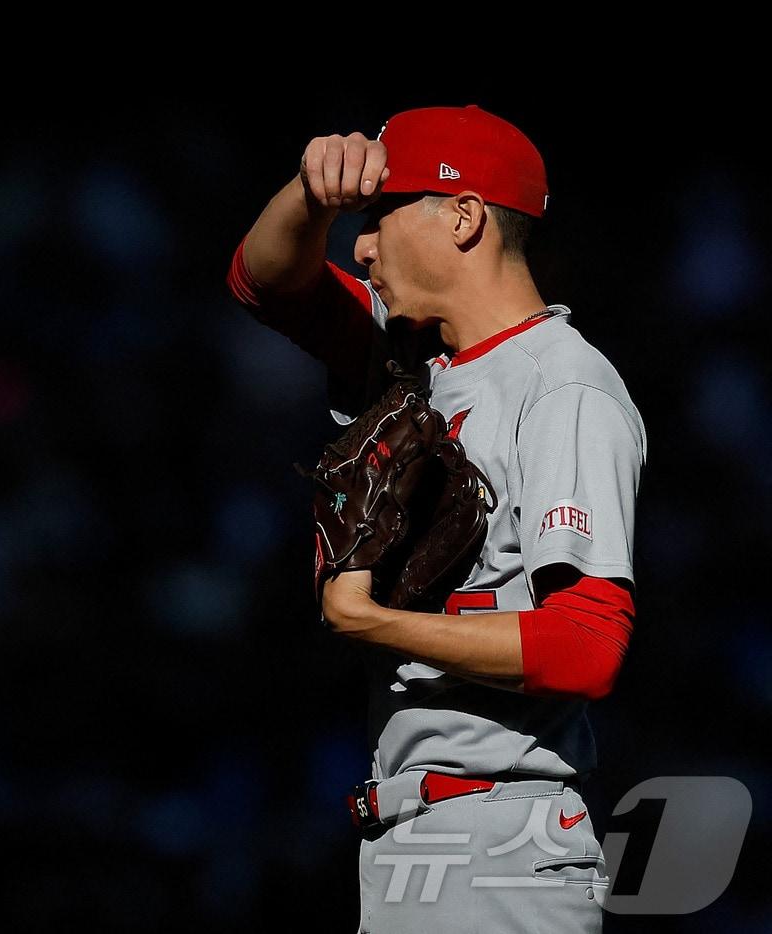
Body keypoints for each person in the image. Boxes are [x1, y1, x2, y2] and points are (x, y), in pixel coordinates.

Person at [225, 104, 647, 933]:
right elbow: (263, 281)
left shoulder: (563, 386)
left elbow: (589, 645)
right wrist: (315, 192)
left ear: (465, 216)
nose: (362, 244)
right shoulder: (411, 360)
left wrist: (372, 622)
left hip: (501, 837)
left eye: (381, 215)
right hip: (422, 835)